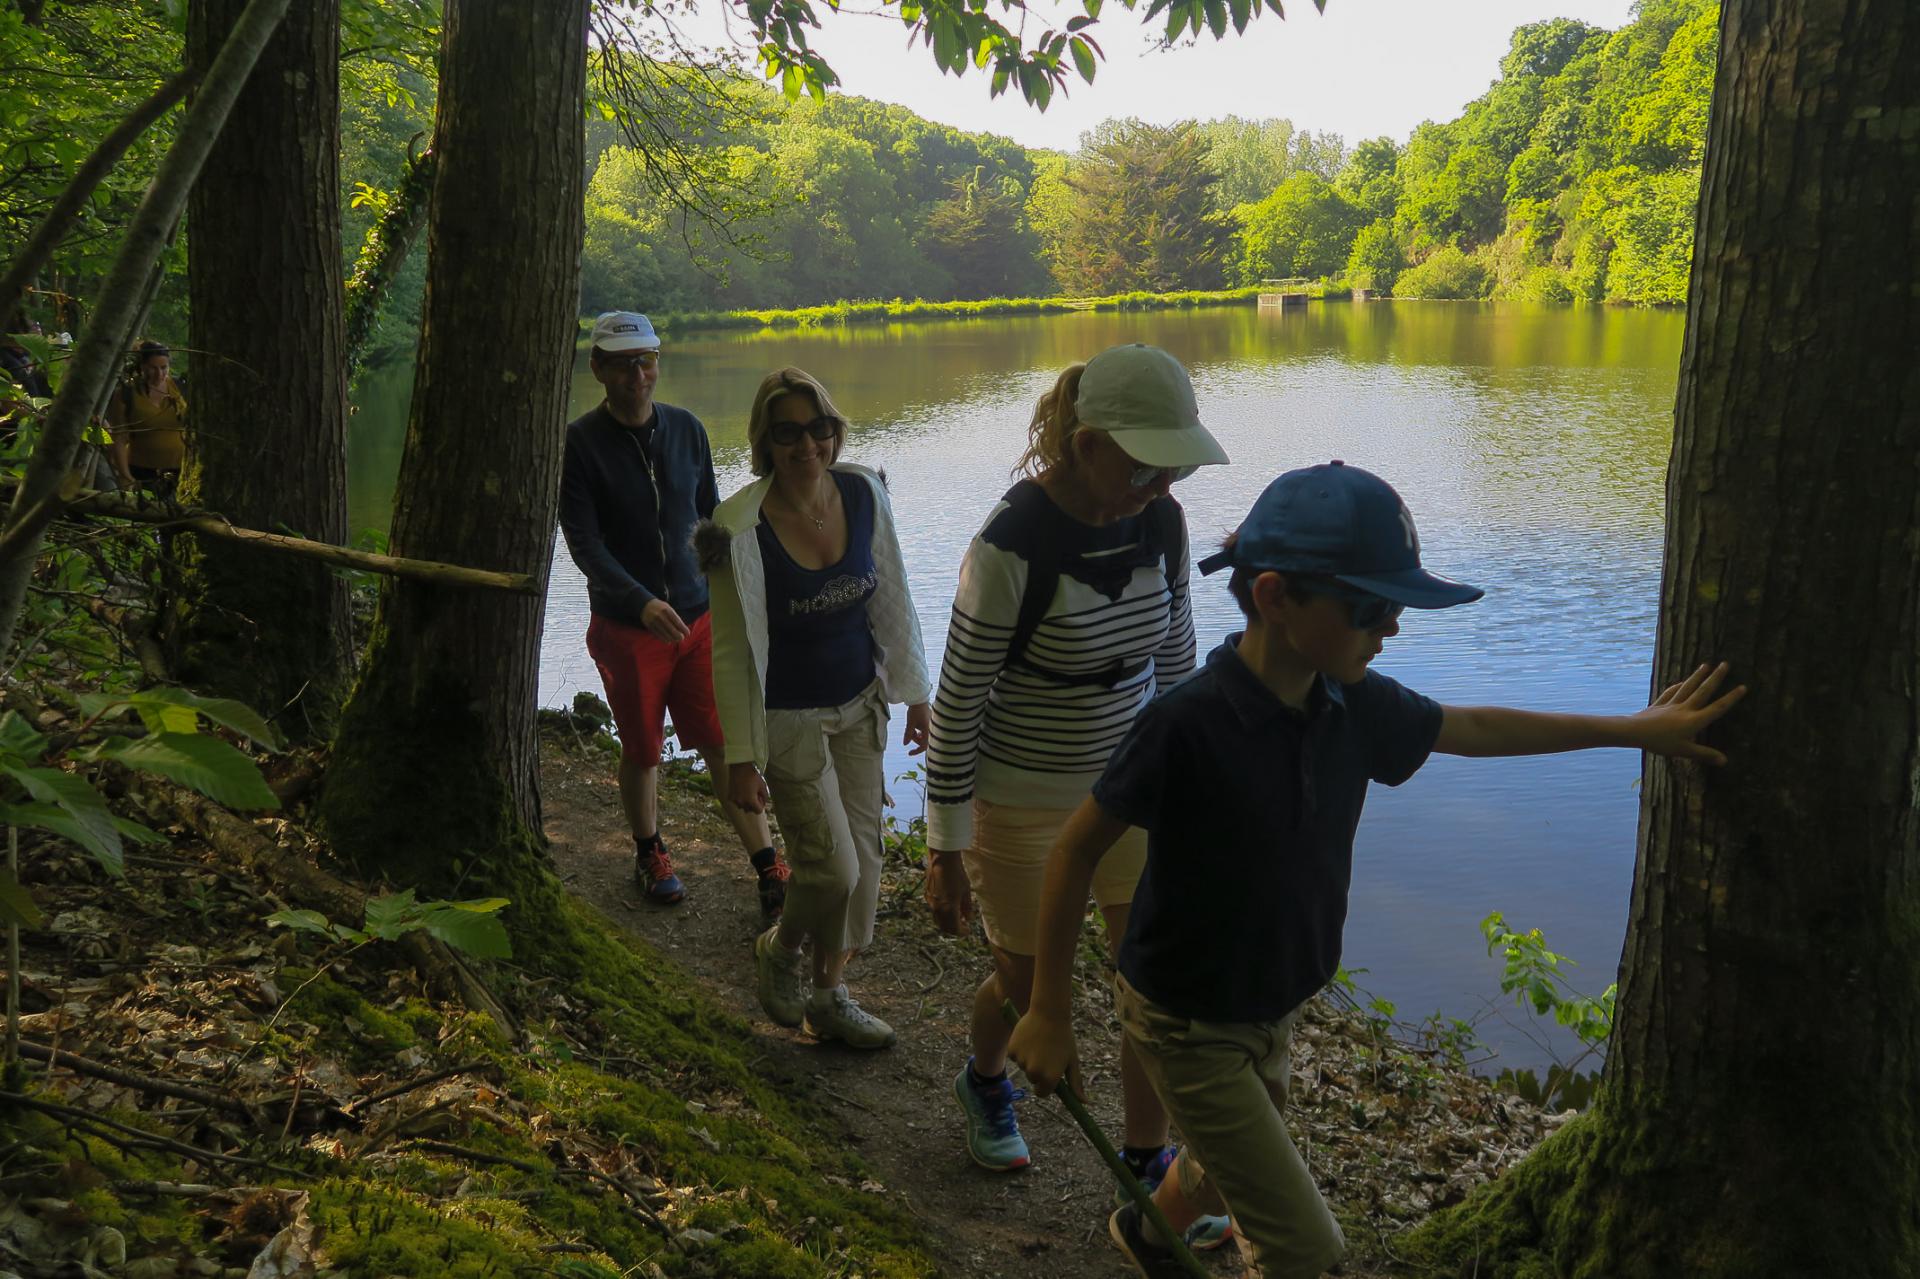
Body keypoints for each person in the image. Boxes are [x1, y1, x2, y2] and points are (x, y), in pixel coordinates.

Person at [1007, 461, 1747, 1278]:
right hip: (1185, 1015)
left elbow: (1473, 727)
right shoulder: (1186, 724)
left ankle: (1145, 1231)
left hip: (1272, 1000)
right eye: (1370, 607)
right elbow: (1075, 848)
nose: (1389, 627)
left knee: (1221, 1170)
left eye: (1394, 607)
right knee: (1307, 1246)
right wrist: (1048, 1009)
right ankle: (1185, 1233)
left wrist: (1635, 728)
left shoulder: (1350, 701)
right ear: (1274, 596)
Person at [920, 342, 1234, 1240]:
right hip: (1016, 793)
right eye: (1143, 461)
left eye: (1172, 461)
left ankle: (1146, 1162)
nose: (1161, 479)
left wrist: (1193, 789)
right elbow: (959, 702)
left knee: (1149, 978)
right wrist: (945, 847)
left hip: (1128, 785)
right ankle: (985, 1079)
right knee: (1028, 983)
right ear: (1086, 442)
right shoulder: (1011, 543)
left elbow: (1175, 667)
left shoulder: (1161, 524)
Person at [695, 367, 933, 1049]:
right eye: (790, 433)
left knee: (865, 865)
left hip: (861, 705)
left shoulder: (862, 492)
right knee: (831, 869)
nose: (809, 445)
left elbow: (892, 593)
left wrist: (916, 693)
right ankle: (782, 947)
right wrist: (741, 757)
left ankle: (829, 996)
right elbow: (734, 654)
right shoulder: (737, 528)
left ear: (836, 429)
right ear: (766, 441)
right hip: (789, 718)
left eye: (820, 427)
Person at [558, 311, 788, 919]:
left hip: (699, 619)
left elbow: (710, 517)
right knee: (643, 747)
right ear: (599, 369)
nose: (639, 375)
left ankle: (768, 864)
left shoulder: (686, 429)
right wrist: (641, 601)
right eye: (624, 363)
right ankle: (650, 850)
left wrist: (738, 585)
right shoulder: (579, 445)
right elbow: (585, 544)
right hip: (628, 627)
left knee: (722, 739)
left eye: (647, 360)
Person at [107, 340, 187, 497]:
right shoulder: (126, 394)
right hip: (142, 471)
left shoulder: (180, 389)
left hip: (181, 470)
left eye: (164, 368)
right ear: (141, 366)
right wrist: (125, 476)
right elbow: (120, 438)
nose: (159, 374)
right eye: (153, 368)